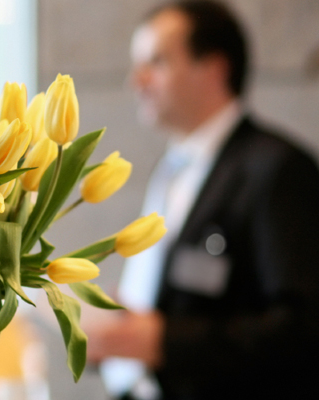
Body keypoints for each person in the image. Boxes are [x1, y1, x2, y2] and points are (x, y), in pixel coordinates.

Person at [85, 1, 319, 399]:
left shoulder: (277, 169)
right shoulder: (174, 168)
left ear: (214, 68)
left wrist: (165, 341)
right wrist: (117, 328)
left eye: (155, 62)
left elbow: (302, 327)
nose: (135, 81)